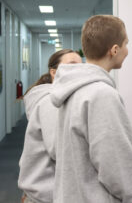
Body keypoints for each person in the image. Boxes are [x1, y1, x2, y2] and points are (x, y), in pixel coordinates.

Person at [50, 15, 132, 203]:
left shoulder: (72, 90)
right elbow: (117, 167)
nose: (127, 50)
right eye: (125, 44)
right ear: (114, 50)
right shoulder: (102, 95)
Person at [18, 49, 82, 203]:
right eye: (72, 65)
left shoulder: (57, 99)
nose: (79, 70)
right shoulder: (51, 103)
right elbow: (60, 150)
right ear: (54, 72)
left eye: (81, 66)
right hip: (45, 197)